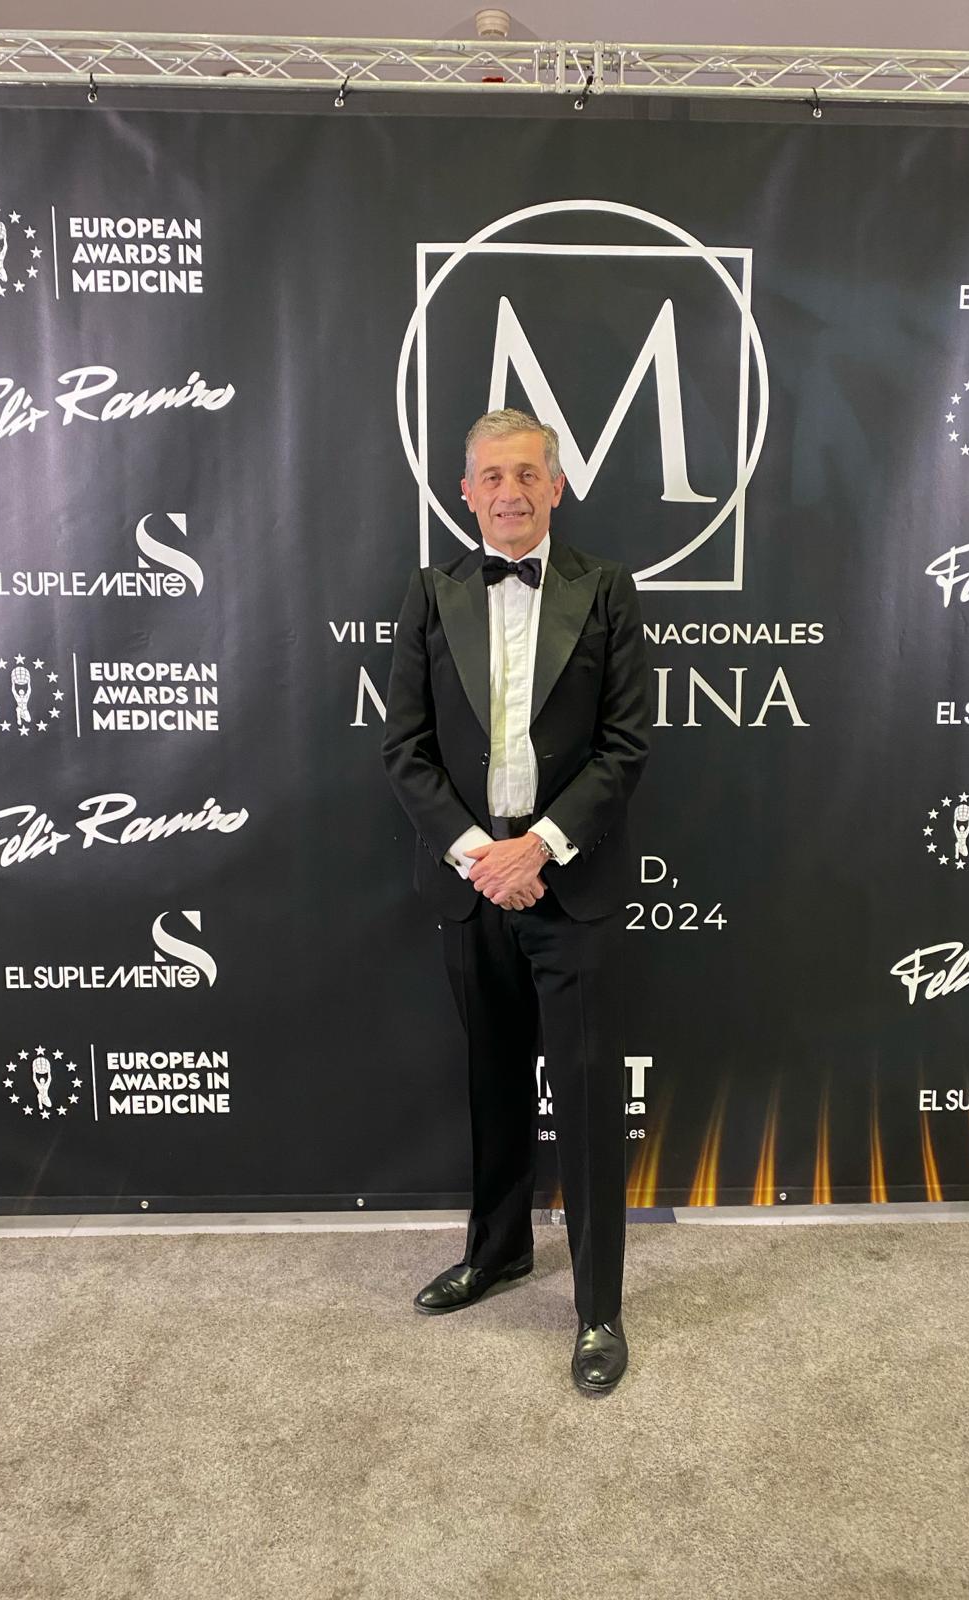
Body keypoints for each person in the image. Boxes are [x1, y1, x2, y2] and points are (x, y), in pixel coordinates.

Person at [381, 406, 652, 1396]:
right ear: (466, 493)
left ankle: (598, 1308)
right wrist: (480, 857)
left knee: (584, 1098)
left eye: (528, 474)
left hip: (568, 882)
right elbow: (404, 748)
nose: (510, 492)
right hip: (472, 886)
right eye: (492, 476)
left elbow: (626, 744)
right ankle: (497, 1252)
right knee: (491, 1083)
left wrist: (537, 848)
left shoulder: (605, 590)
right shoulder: (431, 592)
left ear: (556, 486)